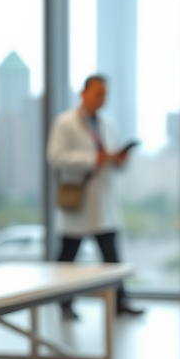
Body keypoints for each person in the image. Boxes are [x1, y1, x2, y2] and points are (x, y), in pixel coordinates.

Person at [46, 75, 144, 319]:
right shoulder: (65, 122)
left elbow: (111, 158)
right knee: (68, 257)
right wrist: (92, 159)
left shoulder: (108, 123)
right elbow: (55, 157)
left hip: (104, 201)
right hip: (79, 199)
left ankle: (119, 301)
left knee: (112, 256)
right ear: (84, 93)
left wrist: (119, 159)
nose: (103, 98)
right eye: (98, 93)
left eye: (105, 94)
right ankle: (63, 302)